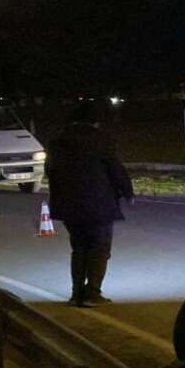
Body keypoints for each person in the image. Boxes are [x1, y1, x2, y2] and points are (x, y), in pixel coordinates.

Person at [46, 101, 134, 307]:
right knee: (99, 247)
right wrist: (127, 191)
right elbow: (115, 168)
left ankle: (76, 293)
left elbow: (50, 171)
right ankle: (93, 293)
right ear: (94, 122)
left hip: (69, 206)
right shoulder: (101, 139)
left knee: (79, 247)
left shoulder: (57, 142)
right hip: (98, 204)